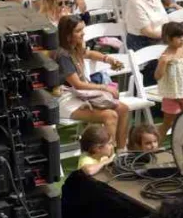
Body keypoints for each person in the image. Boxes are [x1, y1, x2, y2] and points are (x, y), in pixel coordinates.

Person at [54, 16, 130, 148]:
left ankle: (122, 152)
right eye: (78, 31)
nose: (83, 33)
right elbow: (77, 84)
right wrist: (105, 88)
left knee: (123, 109)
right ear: (67, 35)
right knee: (110, 116)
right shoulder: (63, 55)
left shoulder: (75, 48)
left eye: (82, 29)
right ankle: (108, 158)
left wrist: (108, 59)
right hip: (68, 99)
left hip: (83, 95)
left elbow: (89, 54)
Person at [154, 22, 183, 141]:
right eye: (178, 37)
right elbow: (158, 76)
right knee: (168, 122)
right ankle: (155, 143)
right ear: (169, 38)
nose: (182, 39)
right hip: (171, 95)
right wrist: (163, 64)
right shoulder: (165, 56)